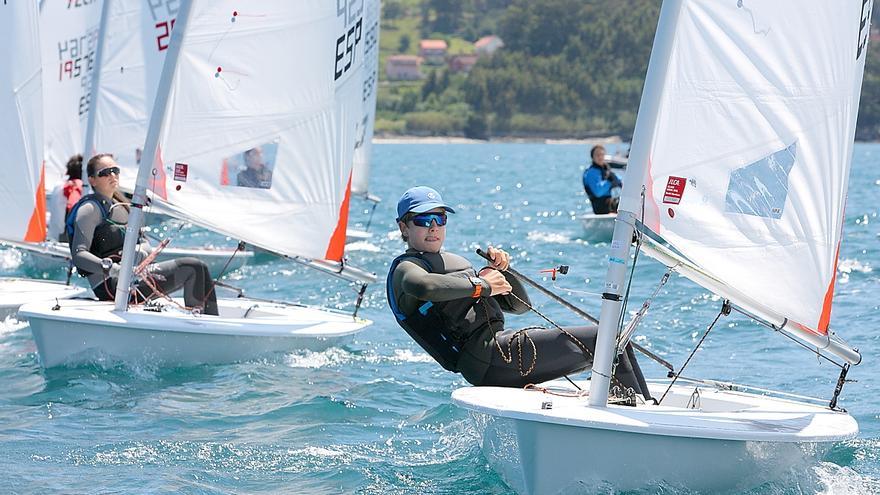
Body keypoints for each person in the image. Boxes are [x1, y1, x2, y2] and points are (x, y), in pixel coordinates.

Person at [387, 186, 649, 393]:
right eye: (423, 220)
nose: (433, 227)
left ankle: (641, 408)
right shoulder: (406, 269)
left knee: (615, 341)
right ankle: (639, 429)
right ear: (404, 227)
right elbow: (424, 286)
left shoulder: (455, 265)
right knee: (604, 341)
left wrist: (503, 271)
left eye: (440, 218)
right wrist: (485, 285)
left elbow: (520, 306)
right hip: (488, 357)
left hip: (500, 349)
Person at [67, 153, 219, 315]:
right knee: (192, 267)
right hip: (112, 286)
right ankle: (198, 327)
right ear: (92, 180)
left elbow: (143, 240)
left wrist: (141, 251)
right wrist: (114, 269)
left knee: (200, 268)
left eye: (115, 170)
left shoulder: (122, 205)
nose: (112, 175)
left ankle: (211, 323)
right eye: (105, 172)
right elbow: (79, 255)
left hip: (133, 277)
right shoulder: (89, 210)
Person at [47, 154, 84, 242]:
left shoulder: (58, 186)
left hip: (54, 234)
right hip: (65, 236)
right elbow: (72, 206)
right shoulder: (76, 186)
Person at [582, 145, 623, 214]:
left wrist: (618, 182)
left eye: (602, 154)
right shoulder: (591, 172)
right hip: (600, 207)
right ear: (593, 157)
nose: (600, 157)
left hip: (609, 203)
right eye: (597, 155)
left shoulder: (605, 169)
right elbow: (598, 192)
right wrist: (609, 182)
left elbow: (619, 181)